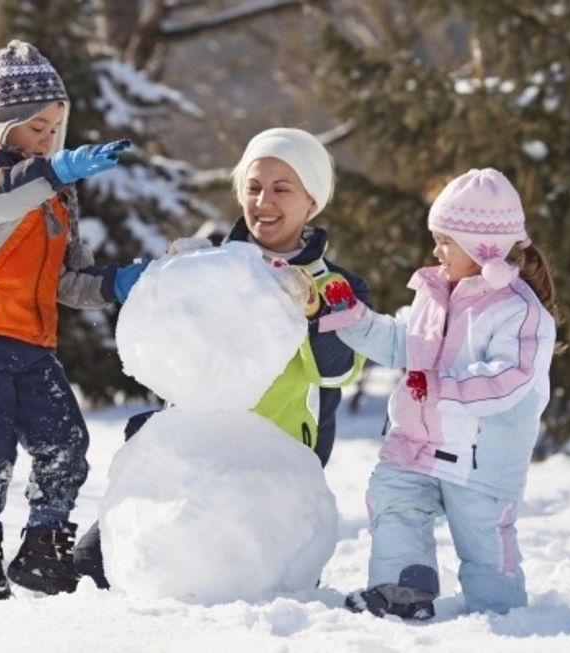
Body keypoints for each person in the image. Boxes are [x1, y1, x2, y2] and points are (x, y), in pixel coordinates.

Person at [73, 127, 371, 589]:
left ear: (311, 202)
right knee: (94, 569)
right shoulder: (211, 265)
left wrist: (313, 311)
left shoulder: (338, 287)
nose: (263, 201)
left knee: (251, 587)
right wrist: (170, 285)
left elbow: (339, 371)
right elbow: (162, 351)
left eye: (281, 189)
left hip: (272, 467)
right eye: (253, 188)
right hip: (191, 458)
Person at [0, 40, 148, 600]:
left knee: (66, 442)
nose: (47, 140)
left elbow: (69, 280)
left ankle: (45, 546)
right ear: (0, 126)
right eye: (34, 128)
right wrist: (57, 168)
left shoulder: (55, 195)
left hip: (32, 338)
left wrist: (120, 283)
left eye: (55, 129)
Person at [321, 168, 560, 619]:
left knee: (484, 544)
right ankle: (402, 589)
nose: (436, 250)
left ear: (482, 247)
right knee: (394, 502)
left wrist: (439, 388)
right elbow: (400, 342)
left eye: (446, 241)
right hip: (417, 444)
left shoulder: (518, 312)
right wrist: (352, 317)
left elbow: (509, 378)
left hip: (481, 462)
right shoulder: (434, 293)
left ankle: (504, 613)